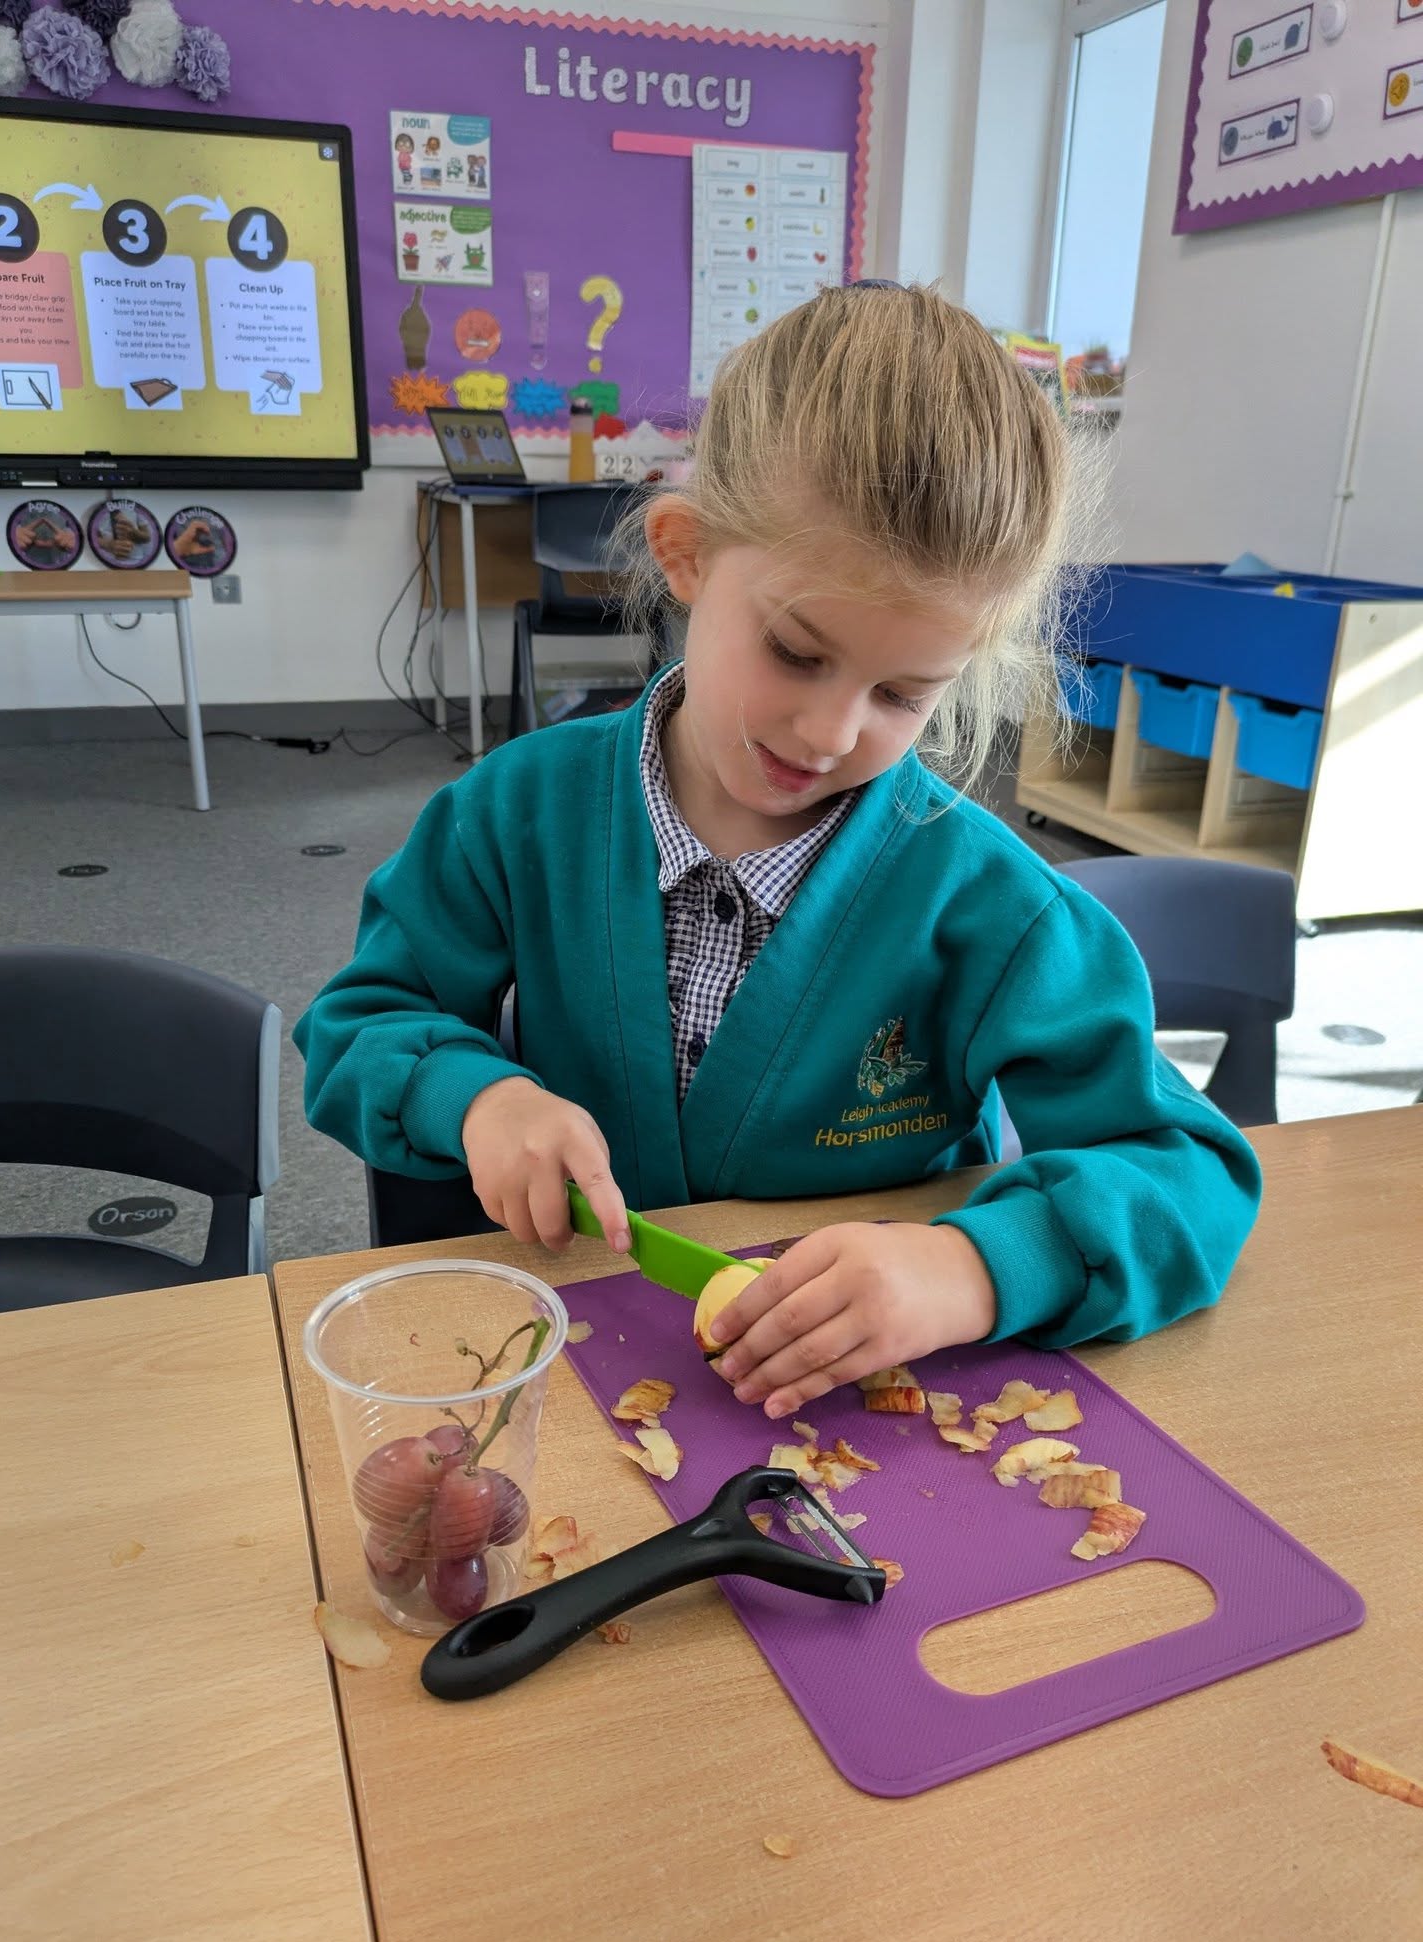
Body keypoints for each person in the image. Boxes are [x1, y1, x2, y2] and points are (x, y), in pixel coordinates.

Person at [295, 284, 1260, 1421]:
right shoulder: (517, 811)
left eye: (904, 692)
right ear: (685, 554)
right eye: (798, 651)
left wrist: (973, 1268)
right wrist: (476, 1095)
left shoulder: (995, 907)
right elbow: (356, 1026)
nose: (830, 732)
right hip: (567, 1382)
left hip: (862, 1420)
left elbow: (1191, 1172)